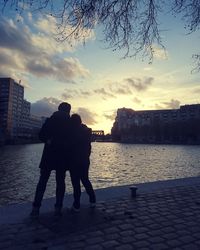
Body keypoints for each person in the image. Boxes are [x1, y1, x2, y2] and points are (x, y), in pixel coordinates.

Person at [30, 102, 71, 217]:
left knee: (42, 182)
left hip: (48, 155)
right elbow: (72, 140)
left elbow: (41, 135)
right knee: (60, 182)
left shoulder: (50, 120)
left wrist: (48, 140)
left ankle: (36, 208)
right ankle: (58, 208)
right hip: (62, 156)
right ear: (68, 111)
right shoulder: (69, 123)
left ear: (58, 109)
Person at [69, 114, 96, 212]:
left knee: (76, 183)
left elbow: (69, 147)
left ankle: (76, 205)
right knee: (85, 180)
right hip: (85, 160)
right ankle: (93, 200)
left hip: (74, 161)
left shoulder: (71, 132)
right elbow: (89, 148)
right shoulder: (86, 132)